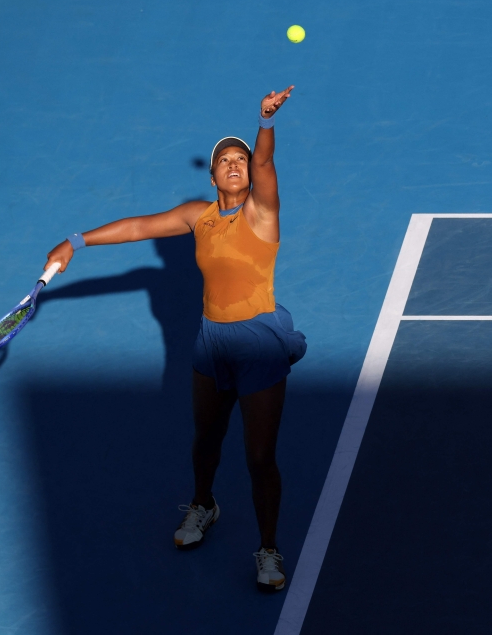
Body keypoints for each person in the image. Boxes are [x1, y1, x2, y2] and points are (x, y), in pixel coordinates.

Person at [44, 87, 305, 593]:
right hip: (210, 341)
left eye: (241, 160)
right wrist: (76, 242)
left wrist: (264, 122)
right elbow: (139, 226)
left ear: (252, 173)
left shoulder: (263, 211)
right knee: (205, 439)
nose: (235, 164)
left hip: (258, 344)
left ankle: (268, 546)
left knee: (258, 457)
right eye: (224, 160)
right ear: (212, 177)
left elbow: (268, 161)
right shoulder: (199, 216)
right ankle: (203, 504)